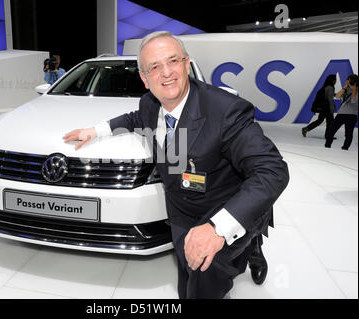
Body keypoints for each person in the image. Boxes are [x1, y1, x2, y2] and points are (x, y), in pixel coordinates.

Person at [62, 31, 289, 299]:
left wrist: (217, 229)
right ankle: (249, 245)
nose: (166, 73)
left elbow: (272, 170)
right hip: (181, 211)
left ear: (186, 63)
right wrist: (97, 130)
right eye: (154, 67)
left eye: (173, 61)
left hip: (222, 207)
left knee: (202, 281)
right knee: (186, 278)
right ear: (145, 79)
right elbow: (135, 118)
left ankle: (252, 247)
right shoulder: (149, 103)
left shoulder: (226, 110)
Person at [325, 74, 358, 150]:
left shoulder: (356, 90)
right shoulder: (346, 89)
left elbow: (353, 101)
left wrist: (354, 89)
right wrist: (345, 87)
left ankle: (345, 148)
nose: (350, 82)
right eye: (348, 80)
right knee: (331, 130)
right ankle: (327, 146)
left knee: (348, 134)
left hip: (352, 115)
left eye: (351, 81)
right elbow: (337, 96)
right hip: (341, 113)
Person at [302, 74, 337, 138]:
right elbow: (330, 99)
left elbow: (327, 95)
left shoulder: (325, 87)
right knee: (330, 122)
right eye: (335, 80)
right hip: (327, 108)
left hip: (323, 107)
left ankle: (306, 129)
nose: (336, 81)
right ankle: (328, 135)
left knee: (320, 121)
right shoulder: (331, 87)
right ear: (332, 80)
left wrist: (335, 94)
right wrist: (332, 108)